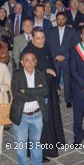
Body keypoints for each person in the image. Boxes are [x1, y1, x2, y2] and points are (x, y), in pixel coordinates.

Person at [22, 27, 65, 159]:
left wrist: (56, 85)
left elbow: (51, 64)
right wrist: (45, 71)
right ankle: (41, 153)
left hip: (50, 89)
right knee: (40, 122)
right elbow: (28, 72)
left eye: (43, 38)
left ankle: (54, 143)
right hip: (37, 92)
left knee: (52, 116)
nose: (41, 41)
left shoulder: (45, 46)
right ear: (32, 38)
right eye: (38, 38)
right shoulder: (27, 52)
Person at [11, 51, 49, 165]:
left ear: (36, 62)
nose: (30, 63)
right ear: (22, 63)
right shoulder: (16, 75)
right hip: (21, 116)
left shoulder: (41, 74)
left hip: (37, 115)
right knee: (21, 146)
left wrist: (26, 91)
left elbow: (45, 91)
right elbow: (17, 95)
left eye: (32, 60)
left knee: (36, 143)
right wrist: (36, 92)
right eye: (26, 60)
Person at [47, 11, 78, 108]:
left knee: (67, 80)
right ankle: (56, 98)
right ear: (56, 20)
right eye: (58, 19)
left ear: (65, 19)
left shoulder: (72, 31)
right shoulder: (51, 31)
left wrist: (64, 55)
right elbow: (49, 45)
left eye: (62, 19)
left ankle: (68, 99)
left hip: (66, 58)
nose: (60, 21)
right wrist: (56, 55)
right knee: (54, 80)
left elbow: (73, 45)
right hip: (55, 59)